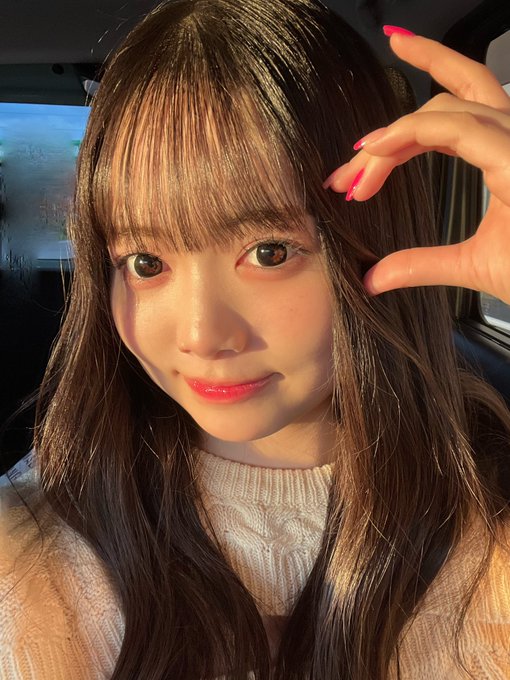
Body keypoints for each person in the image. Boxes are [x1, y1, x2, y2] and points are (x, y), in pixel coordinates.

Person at [1, 1, 509, 678]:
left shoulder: (487, 516)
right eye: (145, 263)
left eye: (269, 252)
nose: (201, 335)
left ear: (374, 234)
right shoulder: (32, 550)